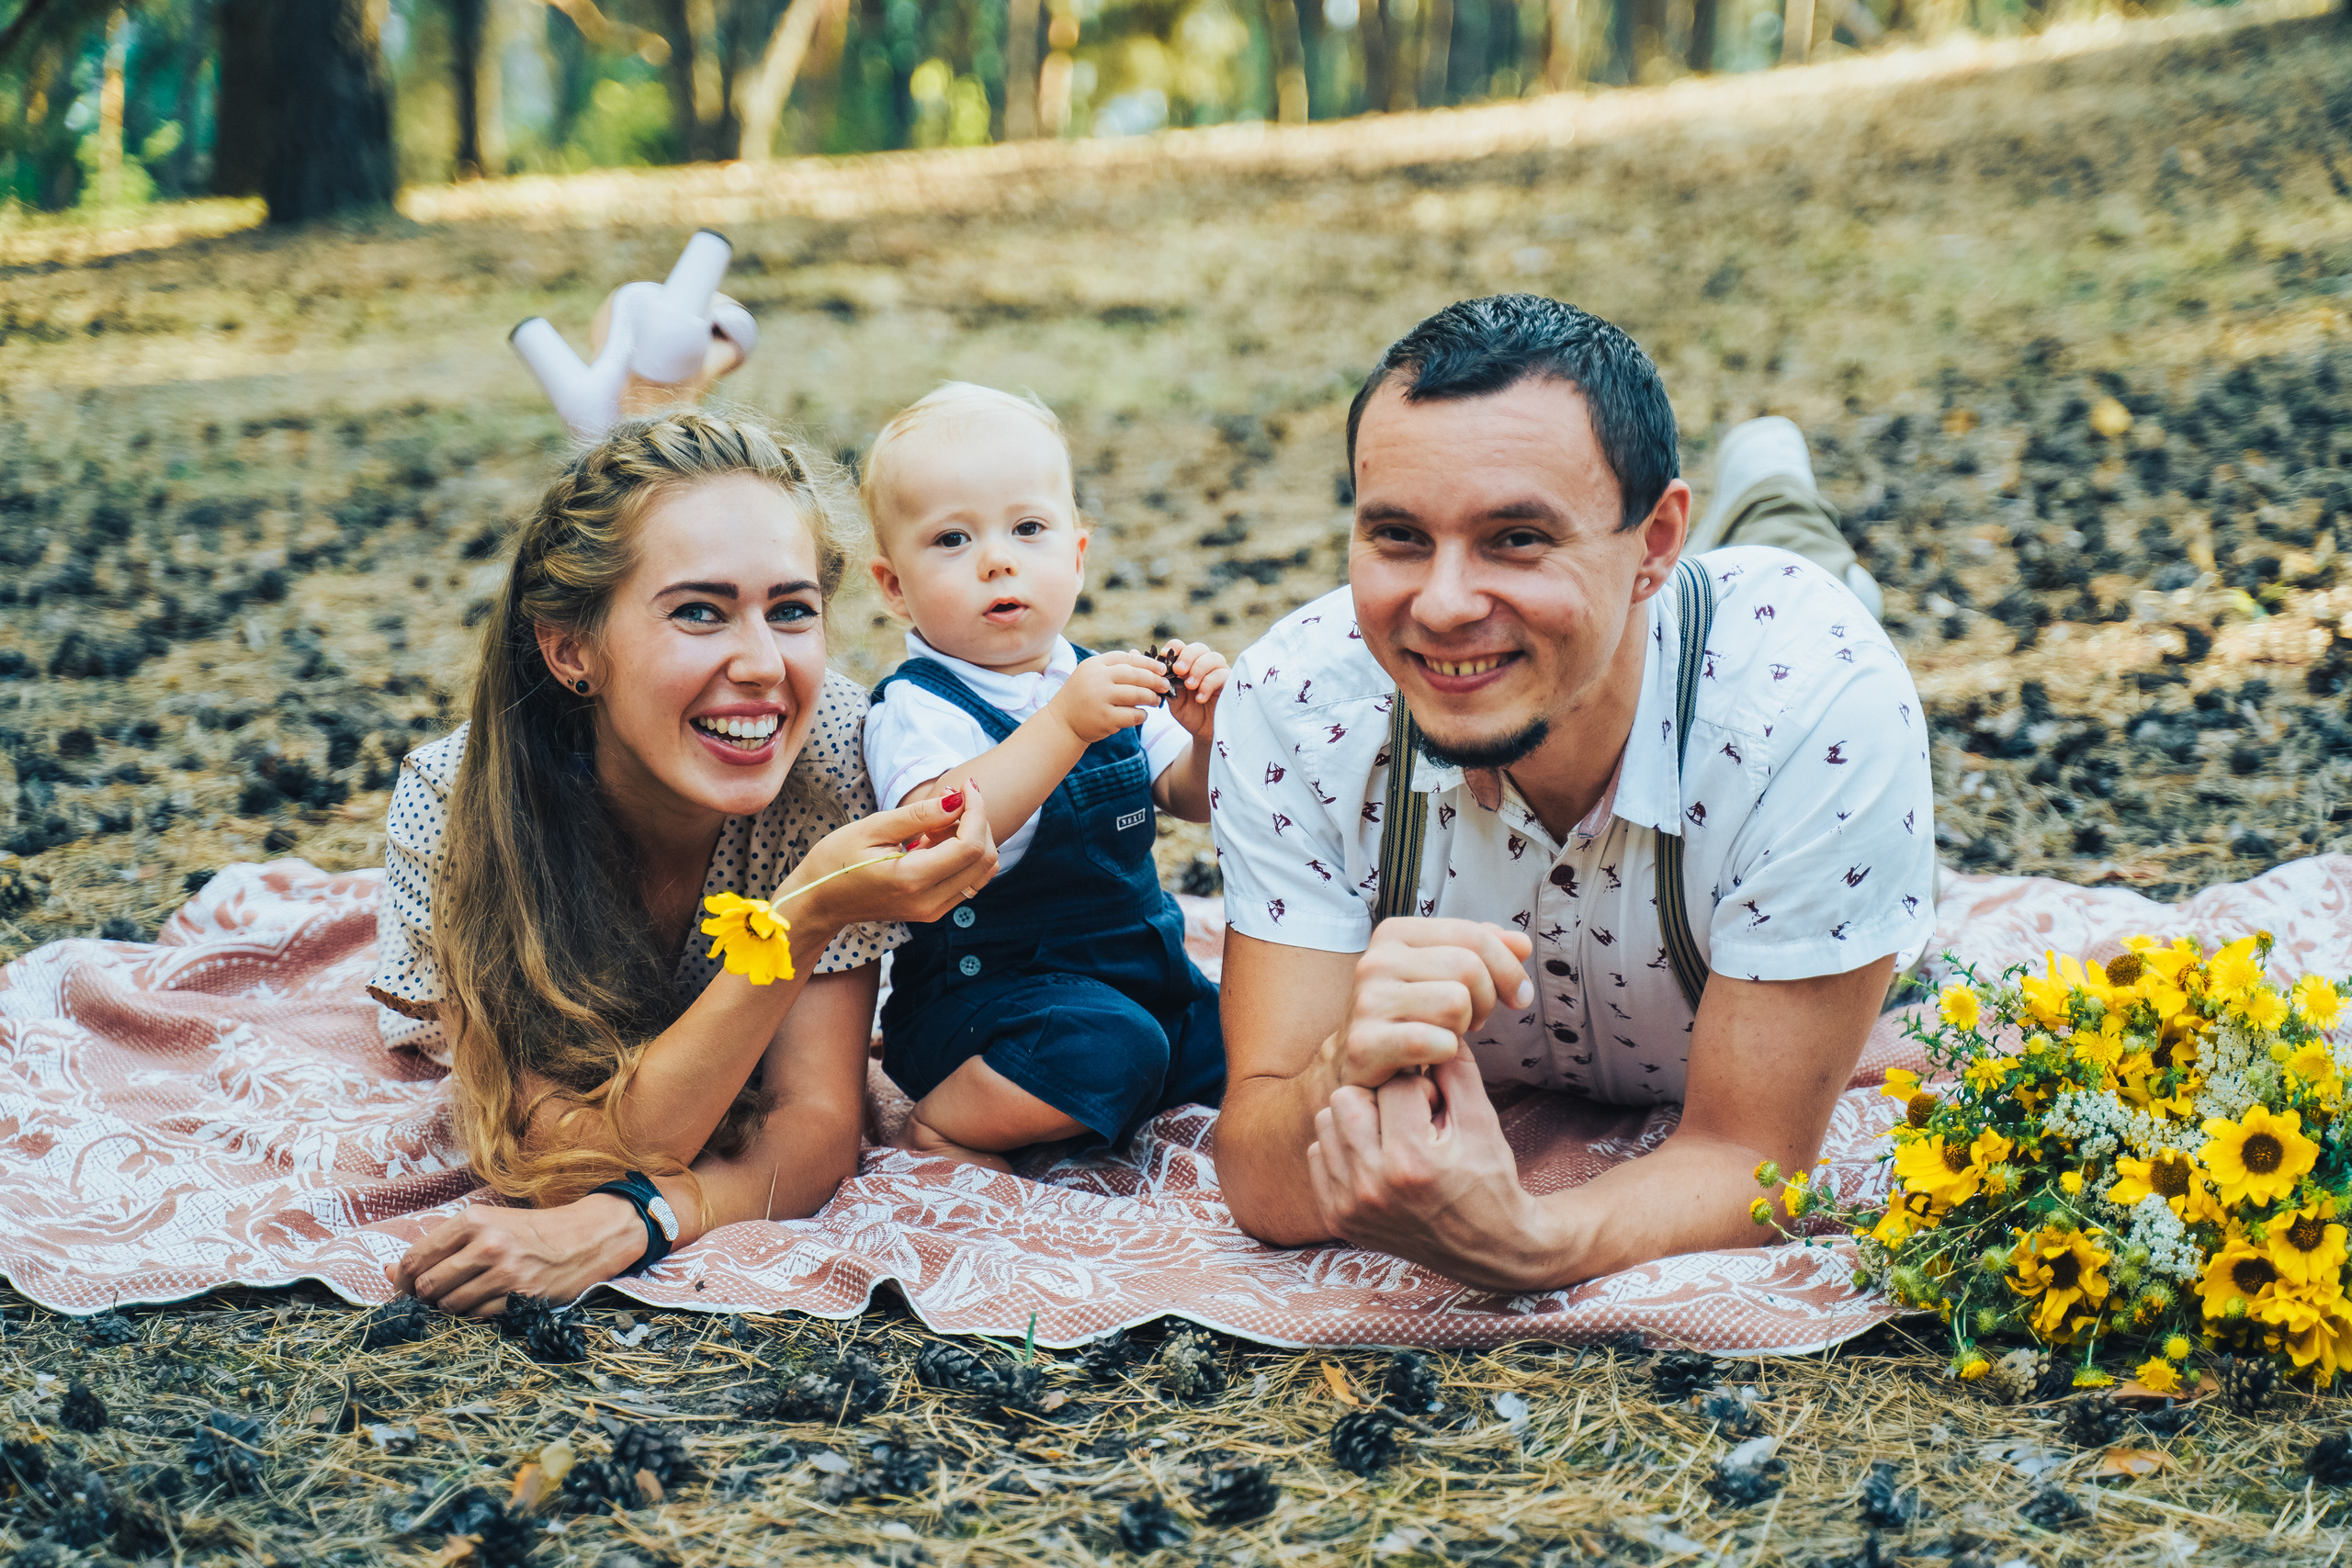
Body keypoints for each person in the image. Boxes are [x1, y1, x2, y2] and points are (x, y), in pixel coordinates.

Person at [1207, 294, 1935, 1292]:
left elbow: (1748, 1158)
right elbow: (1255, 1164)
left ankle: (1771, 493)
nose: (1444, 605)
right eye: (1398, 537)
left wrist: (1533, 1244)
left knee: (1820, 577)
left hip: (1748, 641)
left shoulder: (1815, 704)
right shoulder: (1293, 705)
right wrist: (1335, 1072)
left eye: (1515, 537)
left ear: (1654, 538)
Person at [374, 409, 998, 1316]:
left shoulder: (835, 753)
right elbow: (558, 1159)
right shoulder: (455, 807)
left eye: (790, 612)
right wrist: (795, 924)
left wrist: (642, 1220)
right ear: (571, 648)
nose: (759, 665)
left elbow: (817, 1126)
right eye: (698, 612)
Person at [859, 383, 1229, 1168]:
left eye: (1028, 528)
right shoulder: (918, 708)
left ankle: (1130, 1075)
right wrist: (1063, 725)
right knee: (1111, 1047)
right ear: (894, 586)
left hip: (1140, 969)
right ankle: (945, 1126)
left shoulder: (1095, 675)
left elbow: (1188, 797)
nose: (998, 558)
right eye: (953, 540)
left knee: (1248, 1037)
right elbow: (937, 828)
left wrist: (1208, 734)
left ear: (1077, 554)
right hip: (988, 1002)